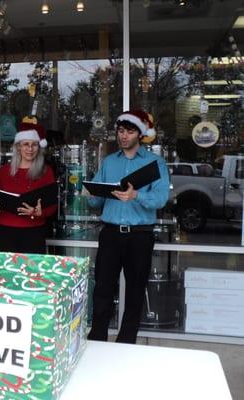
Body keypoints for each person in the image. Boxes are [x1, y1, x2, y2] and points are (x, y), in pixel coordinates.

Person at [87, 110, 170, 344]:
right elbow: (97, 202)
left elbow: (161, 198)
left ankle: (126, 341)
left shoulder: (155, 163)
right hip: (111, 234)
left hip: (140, 236)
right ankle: (97, 339)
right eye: (121, 131)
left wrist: (136, 196)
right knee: (102, 289)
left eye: (129, 131)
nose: (123, 136)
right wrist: (90, 193)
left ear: (140, 134)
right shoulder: (109, 162)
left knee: (135, 291)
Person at [0, 119, 57, 254]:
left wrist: (38, 212)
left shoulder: (46, 171)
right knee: (7, 273)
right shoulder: (3, 171)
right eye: (25, 144)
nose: (30, 149)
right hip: (6, 230)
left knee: (32, 273)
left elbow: (52, 205)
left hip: (34, 231)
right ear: (18, 147)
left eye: (34, 145)